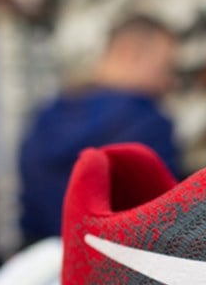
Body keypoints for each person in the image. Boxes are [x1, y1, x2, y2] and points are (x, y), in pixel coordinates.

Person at [19, 13, 179, 242]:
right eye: (166, 67)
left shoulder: (46, 116)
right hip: (115, 267)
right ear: (131, 54)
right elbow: (161, 222)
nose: (168, 81)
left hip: (44, 262)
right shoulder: (148, 122)